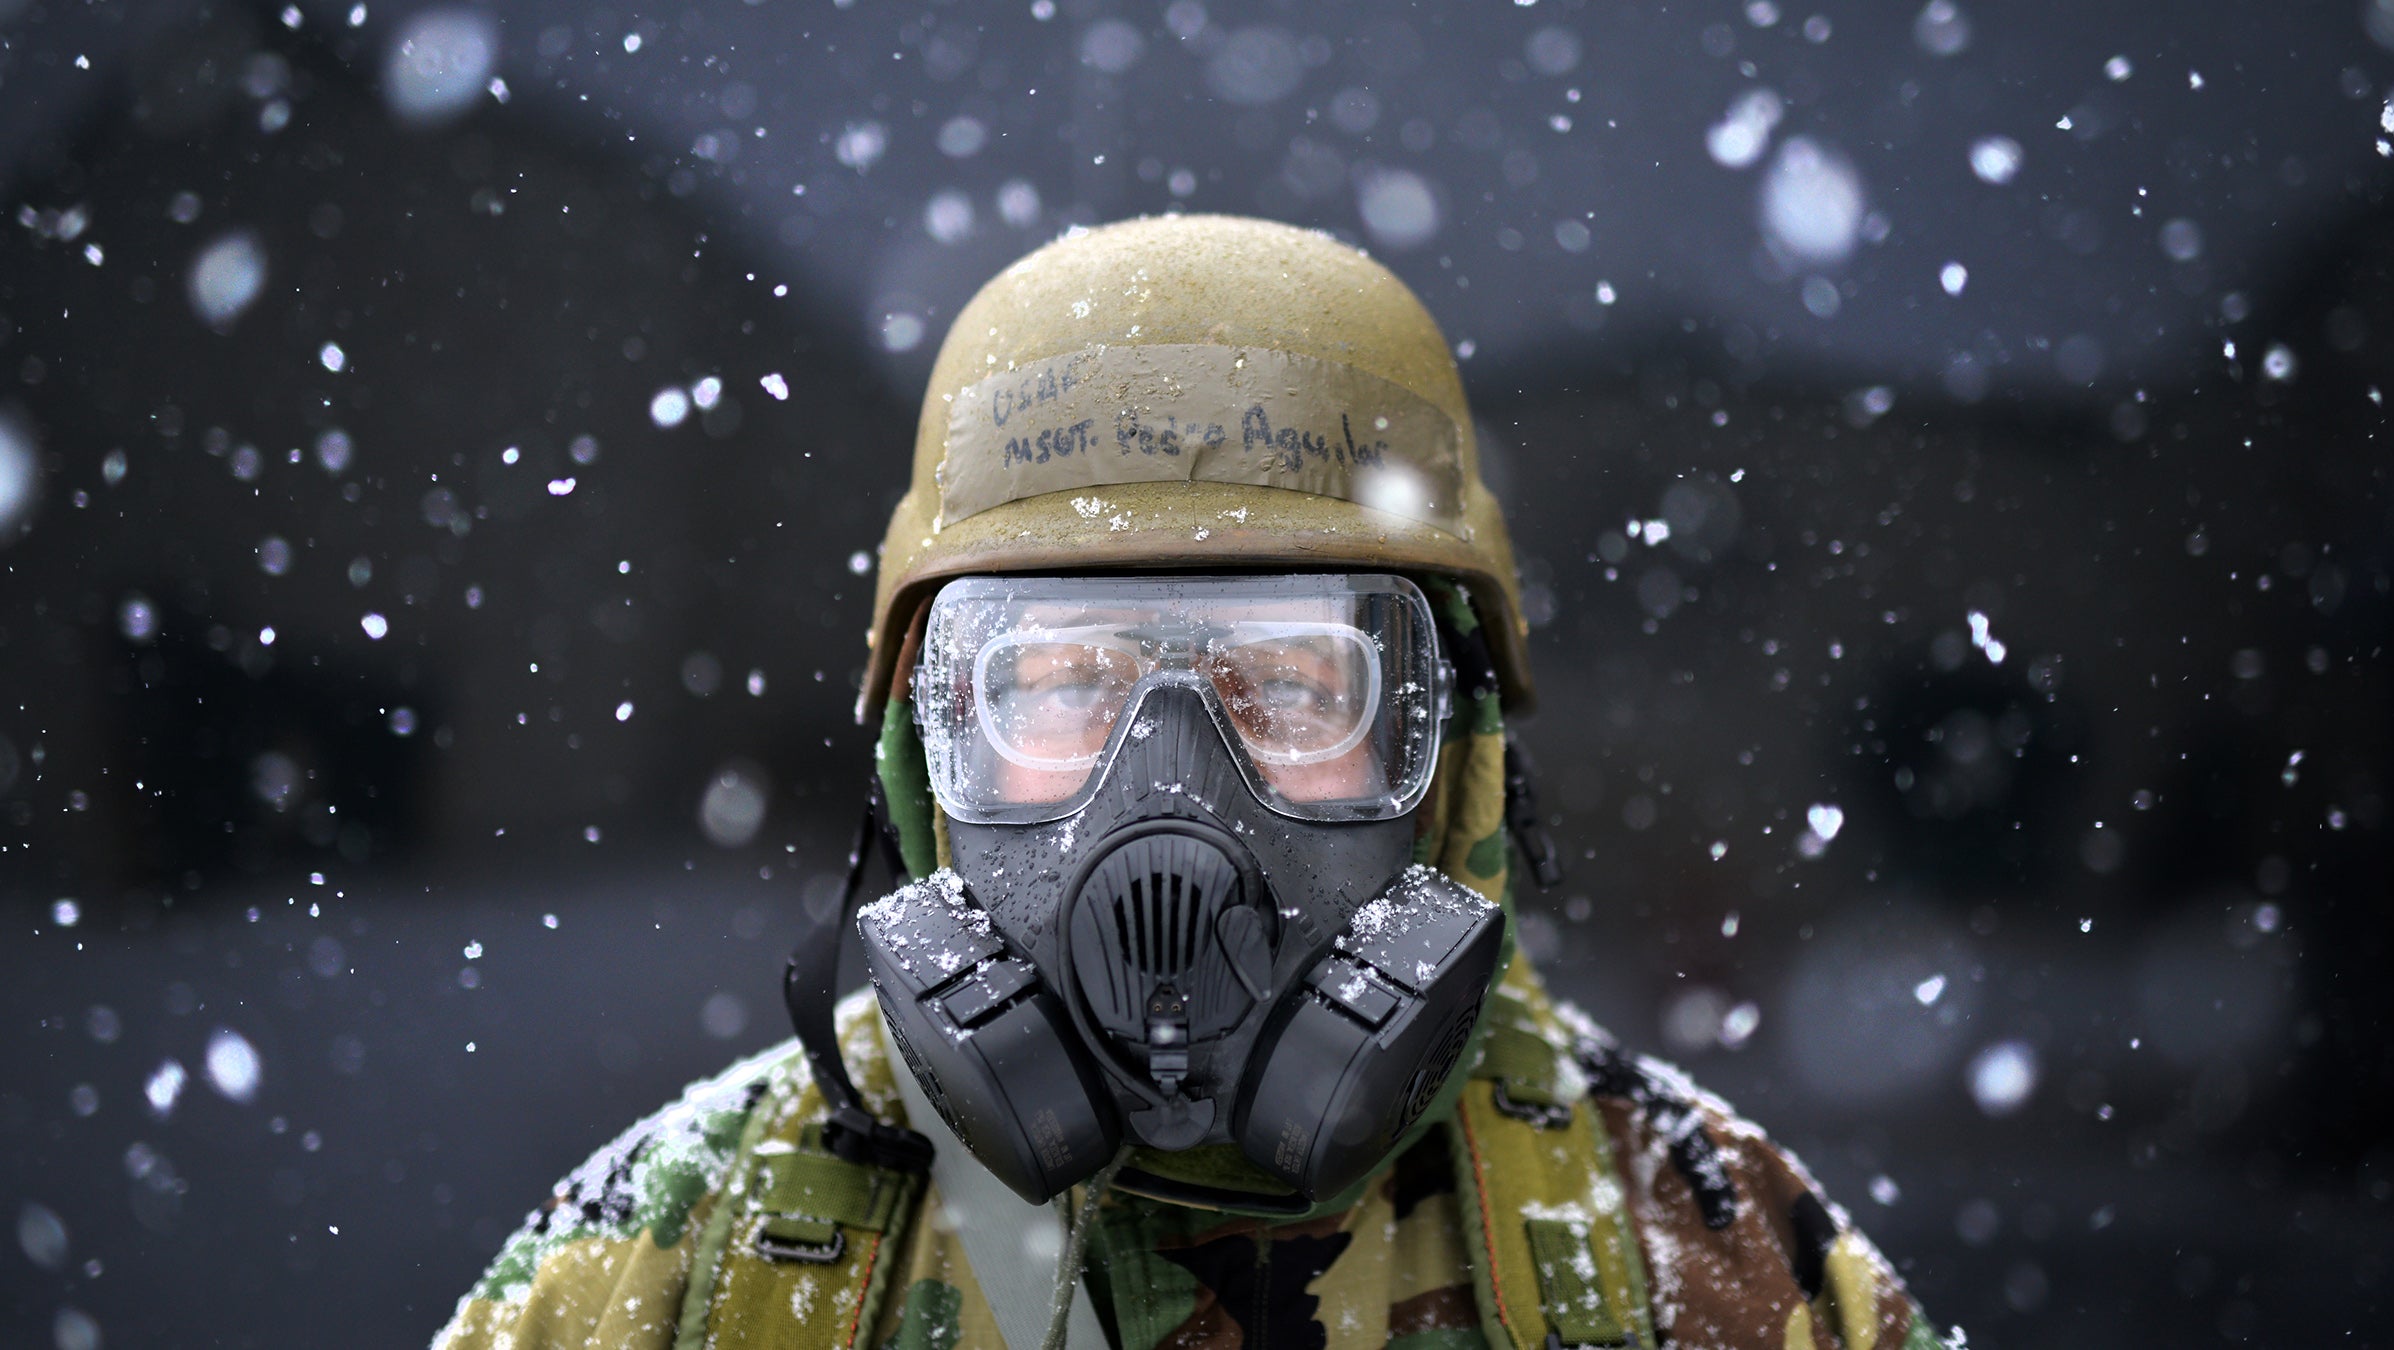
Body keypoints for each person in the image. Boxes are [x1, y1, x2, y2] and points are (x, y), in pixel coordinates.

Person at [434, 215, 1953, 1350]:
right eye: (1062, 684)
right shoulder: (673, 1270)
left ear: (1452, 754)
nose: (1166, 795)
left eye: (1290, 686)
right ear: (924, 745)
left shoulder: (1712, 1265)